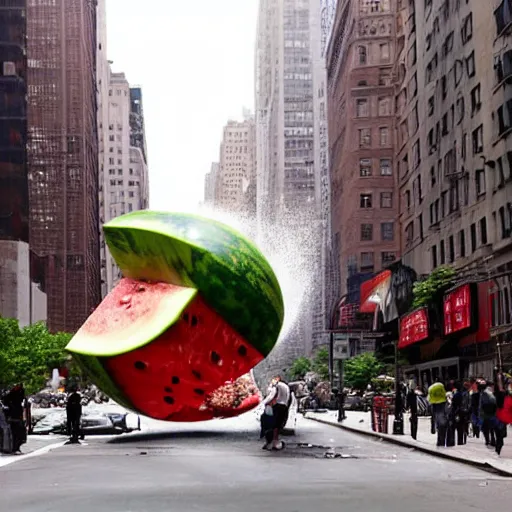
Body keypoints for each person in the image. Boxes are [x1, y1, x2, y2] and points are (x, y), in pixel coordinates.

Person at [262, 375, 290, 451]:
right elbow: (287, 397)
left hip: (277, 406)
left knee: (272, 425)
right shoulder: (285, 386)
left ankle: (271, 442)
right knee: (278, 425)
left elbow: (271, 395)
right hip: (284, 406)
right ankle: (275, 441)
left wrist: (263, 403)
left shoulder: (276, 385)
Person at [3, 384, 27, 454]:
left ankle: (16, 448)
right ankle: (14, 448)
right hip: (13, 417)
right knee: (15, 433)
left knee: (19, 433)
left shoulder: (19, 394)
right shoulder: (11, 395)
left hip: (17, 416)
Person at [428, 380, 449, 447]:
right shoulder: (444, 403)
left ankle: (439, 442)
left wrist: (432, 427)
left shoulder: (433, 405)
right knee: (442, 432)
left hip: (438, 422)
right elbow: (447, 411)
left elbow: (432, 416)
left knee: (440, 432)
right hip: (443, 422)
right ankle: (441, 443)